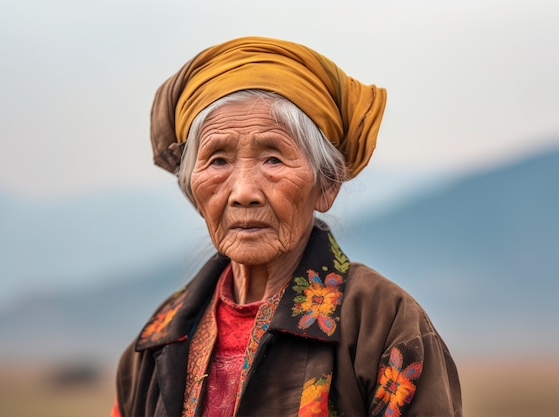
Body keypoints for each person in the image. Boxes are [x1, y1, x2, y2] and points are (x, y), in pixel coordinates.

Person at [111, 36, 462, 417]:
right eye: (218, 161)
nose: (244, 192)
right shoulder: (159, 340)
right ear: (193, 189)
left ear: (326, 185)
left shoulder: (382, 323)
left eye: (274, 159)